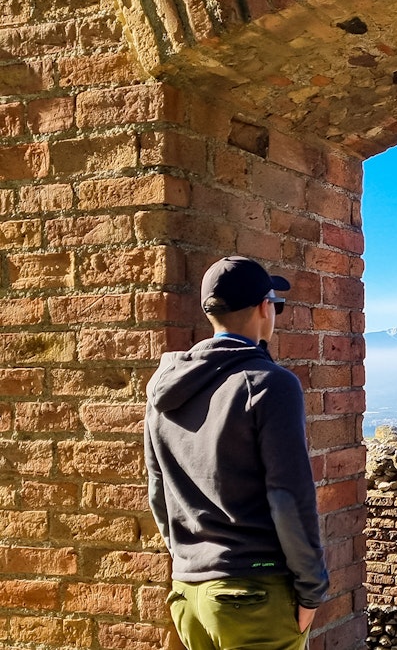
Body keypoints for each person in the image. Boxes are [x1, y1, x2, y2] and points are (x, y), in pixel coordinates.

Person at [144, 256, 329, 650]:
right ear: (265, 307)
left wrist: (189, 560)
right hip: (253, 595)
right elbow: (289, 497)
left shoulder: (163, 388)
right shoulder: (269, 384)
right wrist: (311, 591)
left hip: (189, 597)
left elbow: (158, 493)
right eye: (275, 303)